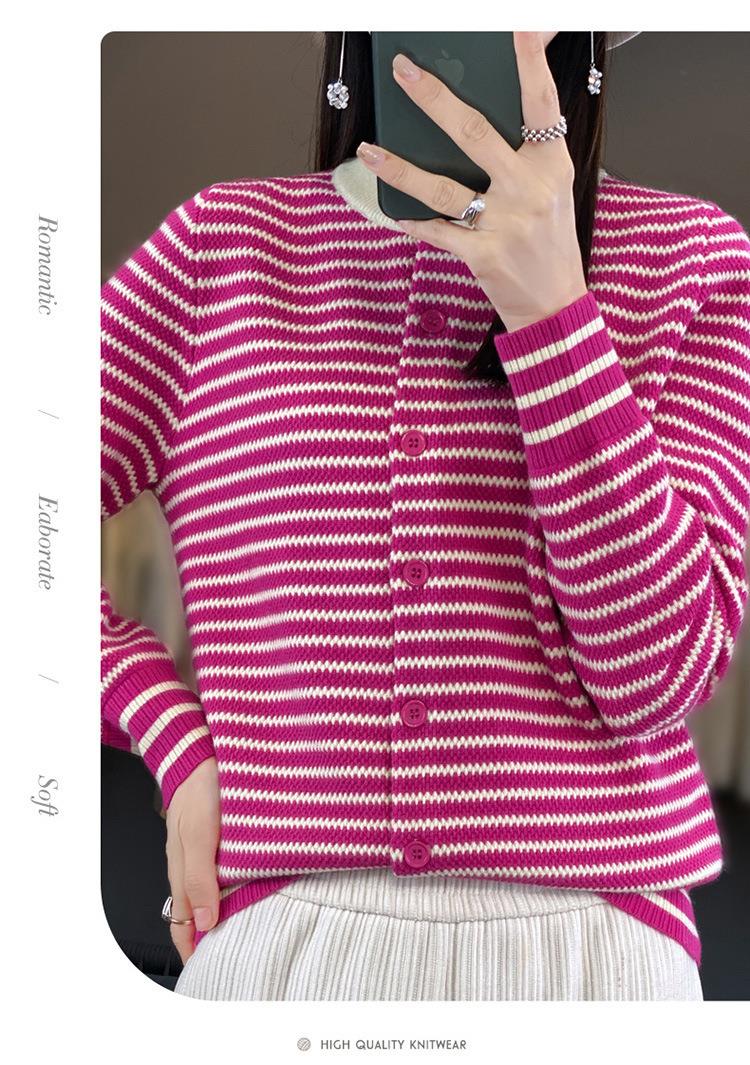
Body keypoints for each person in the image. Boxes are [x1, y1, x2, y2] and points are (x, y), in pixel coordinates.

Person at [100, 31, 750, 1001]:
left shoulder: (691, 257)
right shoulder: (225, 246)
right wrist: (169, 733)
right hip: (280, 953)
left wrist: (553, 313)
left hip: (597, 961)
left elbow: (659, 675)